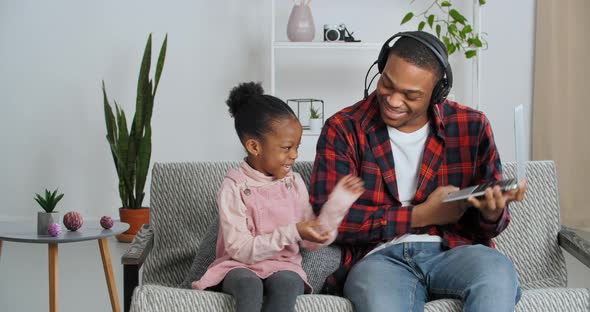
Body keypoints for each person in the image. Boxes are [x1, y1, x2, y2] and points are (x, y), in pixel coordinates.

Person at [309, 31, 527, 312]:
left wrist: (492, 212)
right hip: (379, 259)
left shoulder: (471, 125)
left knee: (497, 273)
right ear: (381, 67)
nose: (394, 100)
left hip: (455, 251)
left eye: (411, 95)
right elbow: (329, 222)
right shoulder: (344, 128)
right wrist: (421, 215)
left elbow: (489, 227)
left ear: (437, 93)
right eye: (387, 84)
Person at [192, 82, 364, 312]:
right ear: (254, 146)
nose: (294, 155)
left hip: (283, 266)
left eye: (297, 146)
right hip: (237, 265)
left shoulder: (293, 183)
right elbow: (240, 250)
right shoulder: (234, 187)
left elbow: (311, 240)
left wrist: (337, 204)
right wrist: (294, 231)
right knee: (248, 285)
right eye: (286, 147)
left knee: (288, 284)